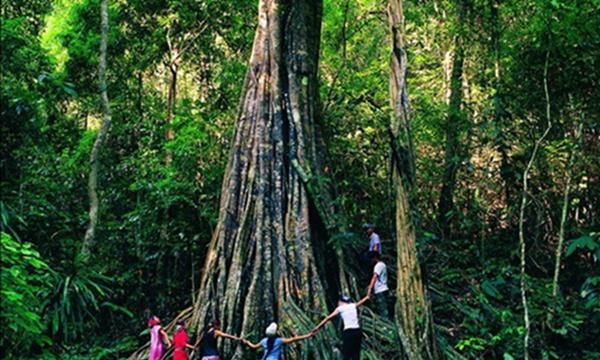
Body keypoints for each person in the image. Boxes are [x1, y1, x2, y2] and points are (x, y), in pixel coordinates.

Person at [311, 295, 369, 360]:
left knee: (346, 353)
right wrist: (368, 295)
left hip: (348, 332)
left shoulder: (340, 308)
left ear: (340, 302)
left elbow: (328, 318)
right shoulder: (353, 305)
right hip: (357, 331)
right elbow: (365, 299)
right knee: (356, 353)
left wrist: (317, 327)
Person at [241, 322, 312, 360]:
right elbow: (293, 339)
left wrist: (247, 342)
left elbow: (254, 347)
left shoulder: (264, 341)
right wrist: (307, 335)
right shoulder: (279, 341)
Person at [367, 251, 389, 318]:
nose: (371, 261)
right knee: (382, 308)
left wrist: (370, 289)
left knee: (382, 309)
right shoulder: (383, 265)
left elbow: (374, 277)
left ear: (375, 258)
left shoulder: (378, 266)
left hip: (380, 290)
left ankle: (385, 325)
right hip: (383, 288)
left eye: (371, 259)